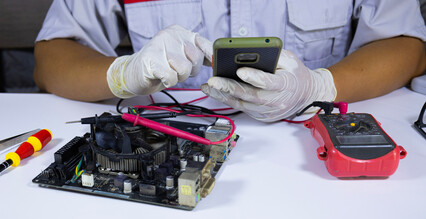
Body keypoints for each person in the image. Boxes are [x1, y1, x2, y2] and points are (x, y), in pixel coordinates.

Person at [34, 0, 426, 122]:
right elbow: (52, 60)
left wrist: (320, 87)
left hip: (312, 138)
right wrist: (125, 73)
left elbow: (408, 45)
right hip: (166, 137)